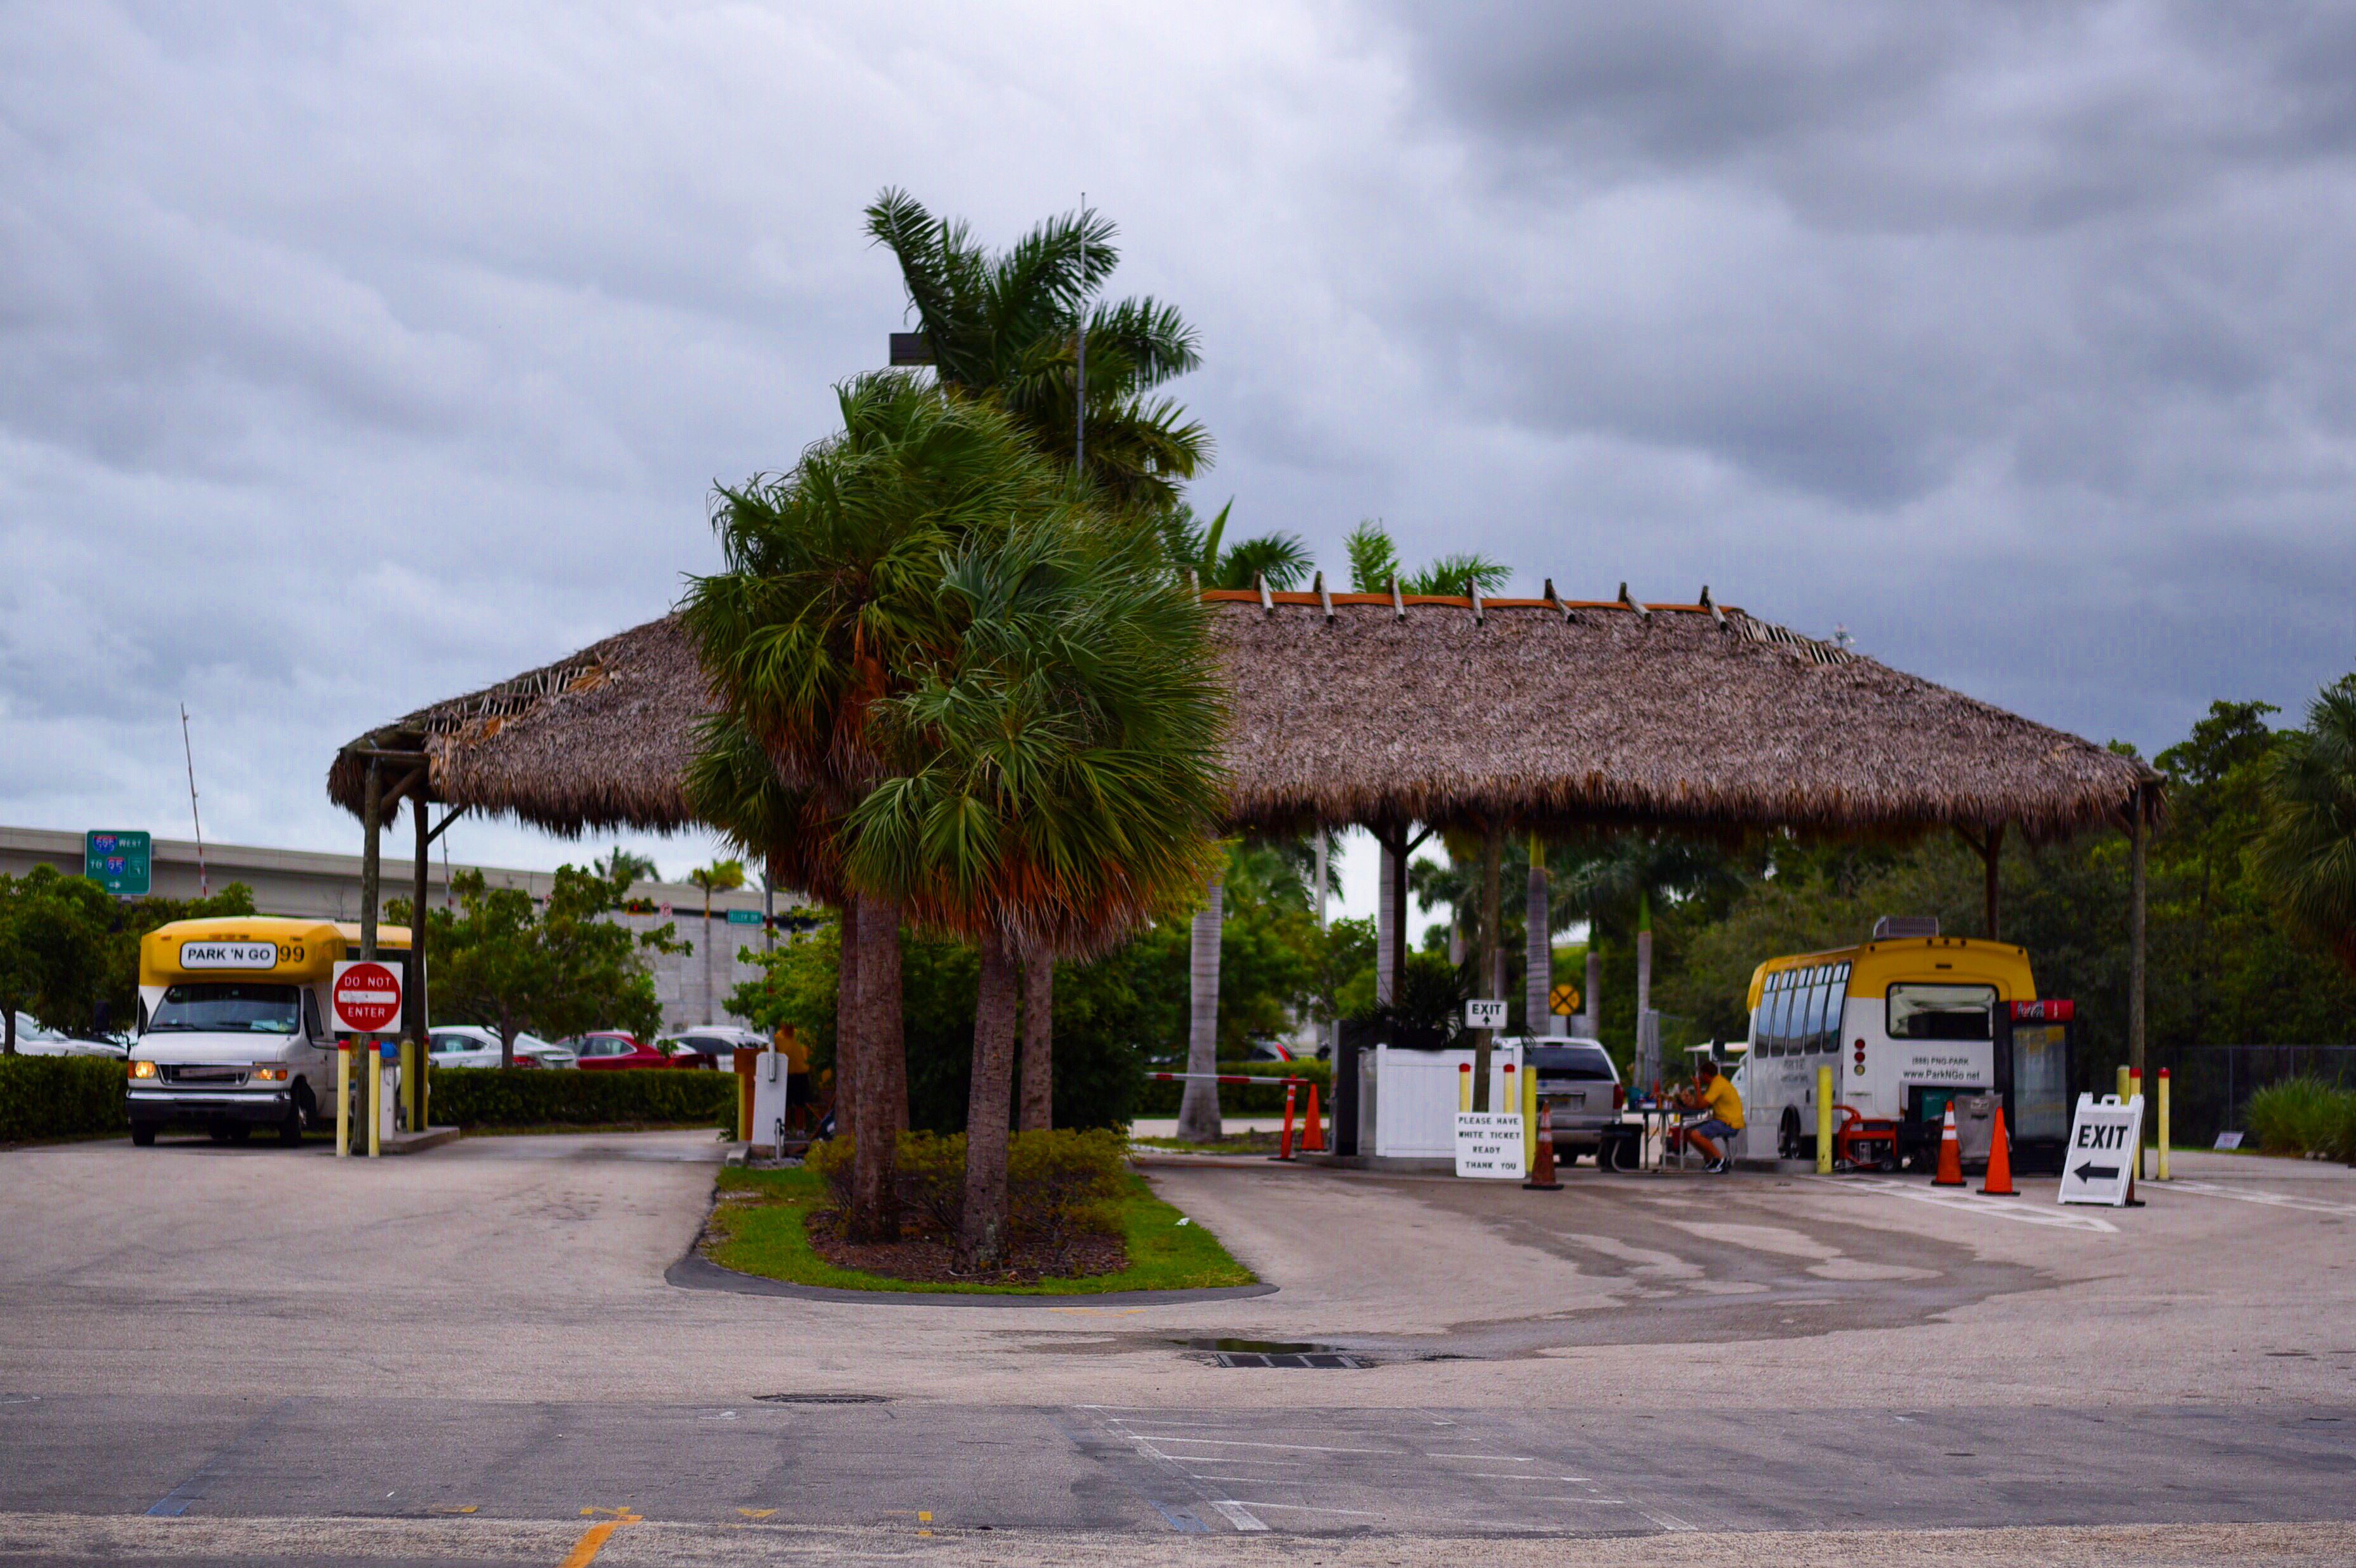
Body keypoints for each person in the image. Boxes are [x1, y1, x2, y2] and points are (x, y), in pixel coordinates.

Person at [1674, 1057, 1743, 1174]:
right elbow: (1701, 1105)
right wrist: (1686, 1106)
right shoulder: (1715, 1084)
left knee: (1696, 1134)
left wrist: (1697, 1088)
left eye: (1701, 1075)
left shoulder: (1718, 1084)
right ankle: (1712, 1161)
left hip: (1729, 1123)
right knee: (1688, 1133)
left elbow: (1701, 1106)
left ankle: (1721, 1160)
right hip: (1721, 1121)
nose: (1700, 1078)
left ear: (1706, 1075)